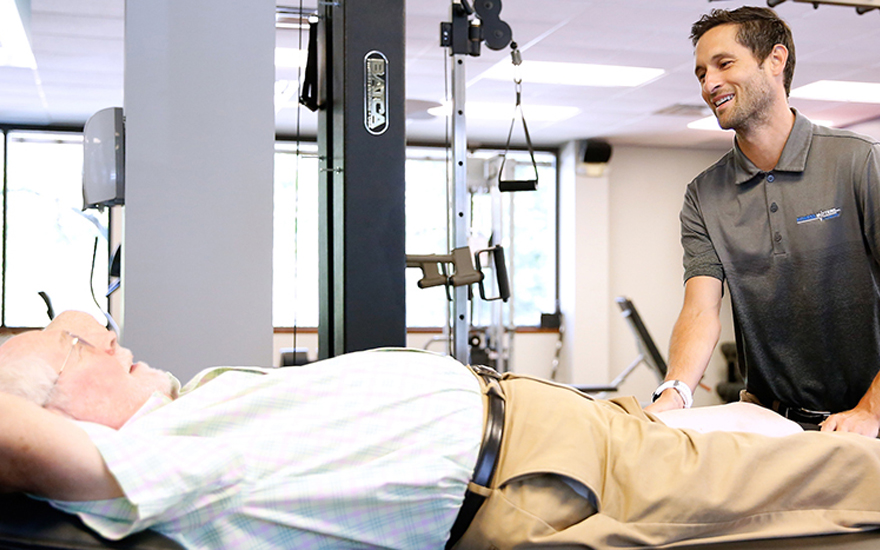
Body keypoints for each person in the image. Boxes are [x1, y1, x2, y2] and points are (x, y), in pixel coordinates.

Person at [5, 311, 880, 549]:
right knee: (839, 486)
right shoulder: (139, 461)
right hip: (545, 478)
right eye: (75, 346)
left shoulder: (182, 408)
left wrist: (58, 348)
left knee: (778, 433)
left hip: (560, 428)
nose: (107, 336)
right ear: (42, 399)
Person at [646, 6, 880, 438]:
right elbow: (700, 309)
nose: (709, 83)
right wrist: (674, 394)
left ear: (776, 60)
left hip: (867, 422)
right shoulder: (705, 194)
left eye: (723, 63)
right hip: (772, 425)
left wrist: (871, 410)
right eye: (700, 74)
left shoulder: (859, 161)